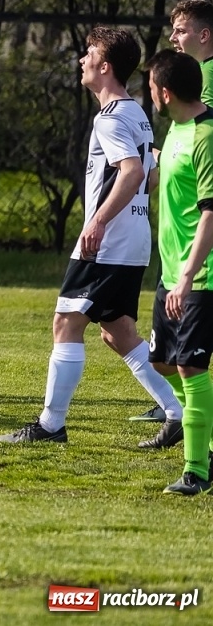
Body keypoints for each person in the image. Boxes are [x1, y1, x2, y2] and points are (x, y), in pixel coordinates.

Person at [0, 28, 181, 446]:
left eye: (88, 54)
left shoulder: (112, 116)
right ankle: (177, 413)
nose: (81, 60)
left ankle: (50, 424)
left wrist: (96, 222)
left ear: (105, 66)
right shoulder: (136, 113)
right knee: (117, 333)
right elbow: (150, 174)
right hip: (134, 240)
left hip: (108, 242)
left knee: (66, 322)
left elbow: (133, 172)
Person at [142, 50, 213, 495]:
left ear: (165, 92)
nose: (149, 93)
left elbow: (210, 214)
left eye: (150, 86)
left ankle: (197, 471)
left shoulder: (206, 136)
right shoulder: (175, 129)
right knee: (164, 362)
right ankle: (204, 438)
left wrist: (188, 274)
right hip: (171, 273)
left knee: (190, 368)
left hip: (200, 276)